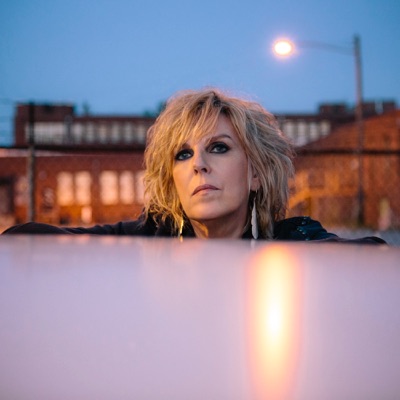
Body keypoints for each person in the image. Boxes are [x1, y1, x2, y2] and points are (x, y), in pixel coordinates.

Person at [2, 88, 385, 244]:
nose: (198, 164)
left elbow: (374, 259)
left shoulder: (293, 241)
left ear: (255, 174)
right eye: (182, 155)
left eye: (218, 148)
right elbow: (26, 237)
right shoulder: (151, 235)